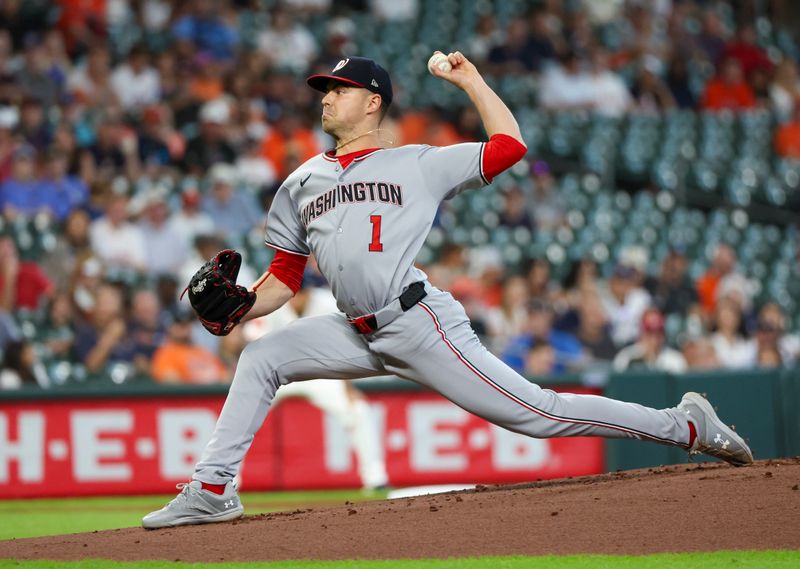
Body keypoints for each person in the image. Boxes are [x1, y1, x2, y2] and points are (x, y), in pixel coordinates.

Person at [143, 53, 752, 529]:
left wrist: (472, 82)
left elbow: (510, 147)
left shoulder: (420, 162)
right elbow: (285, 278)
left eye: (338, 88)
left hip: (417, 321)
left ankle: (686, 425)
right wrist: (245, 304)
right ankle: (214, 490)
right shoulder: (300, 182)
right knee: (262, 356)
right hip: (352, 329)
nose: (326, 97)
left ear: (372, 102)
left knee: (537, 414)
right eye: (323, 89)